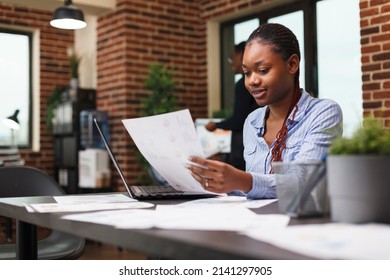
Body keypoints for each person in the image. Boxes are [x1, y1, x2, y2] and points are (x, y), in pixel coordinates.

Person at [188, 23, 343, 199]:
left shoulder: (324, 113)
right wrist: (217, 179)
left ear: (292, 64)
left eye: (262, 70)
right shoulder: (252, 122)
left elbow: (304, 182)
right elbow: (255, 189)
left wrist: (241, 180)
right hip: (257, 222)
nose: (252, 81)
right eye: (246, 73)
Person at [205, 42, 258, 171]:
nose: (230, 62)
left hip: (244, 152)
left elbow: (238, 121)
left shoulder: (244, 84)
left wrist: (216, 125)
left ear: (241, 55)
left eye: (232, 57)